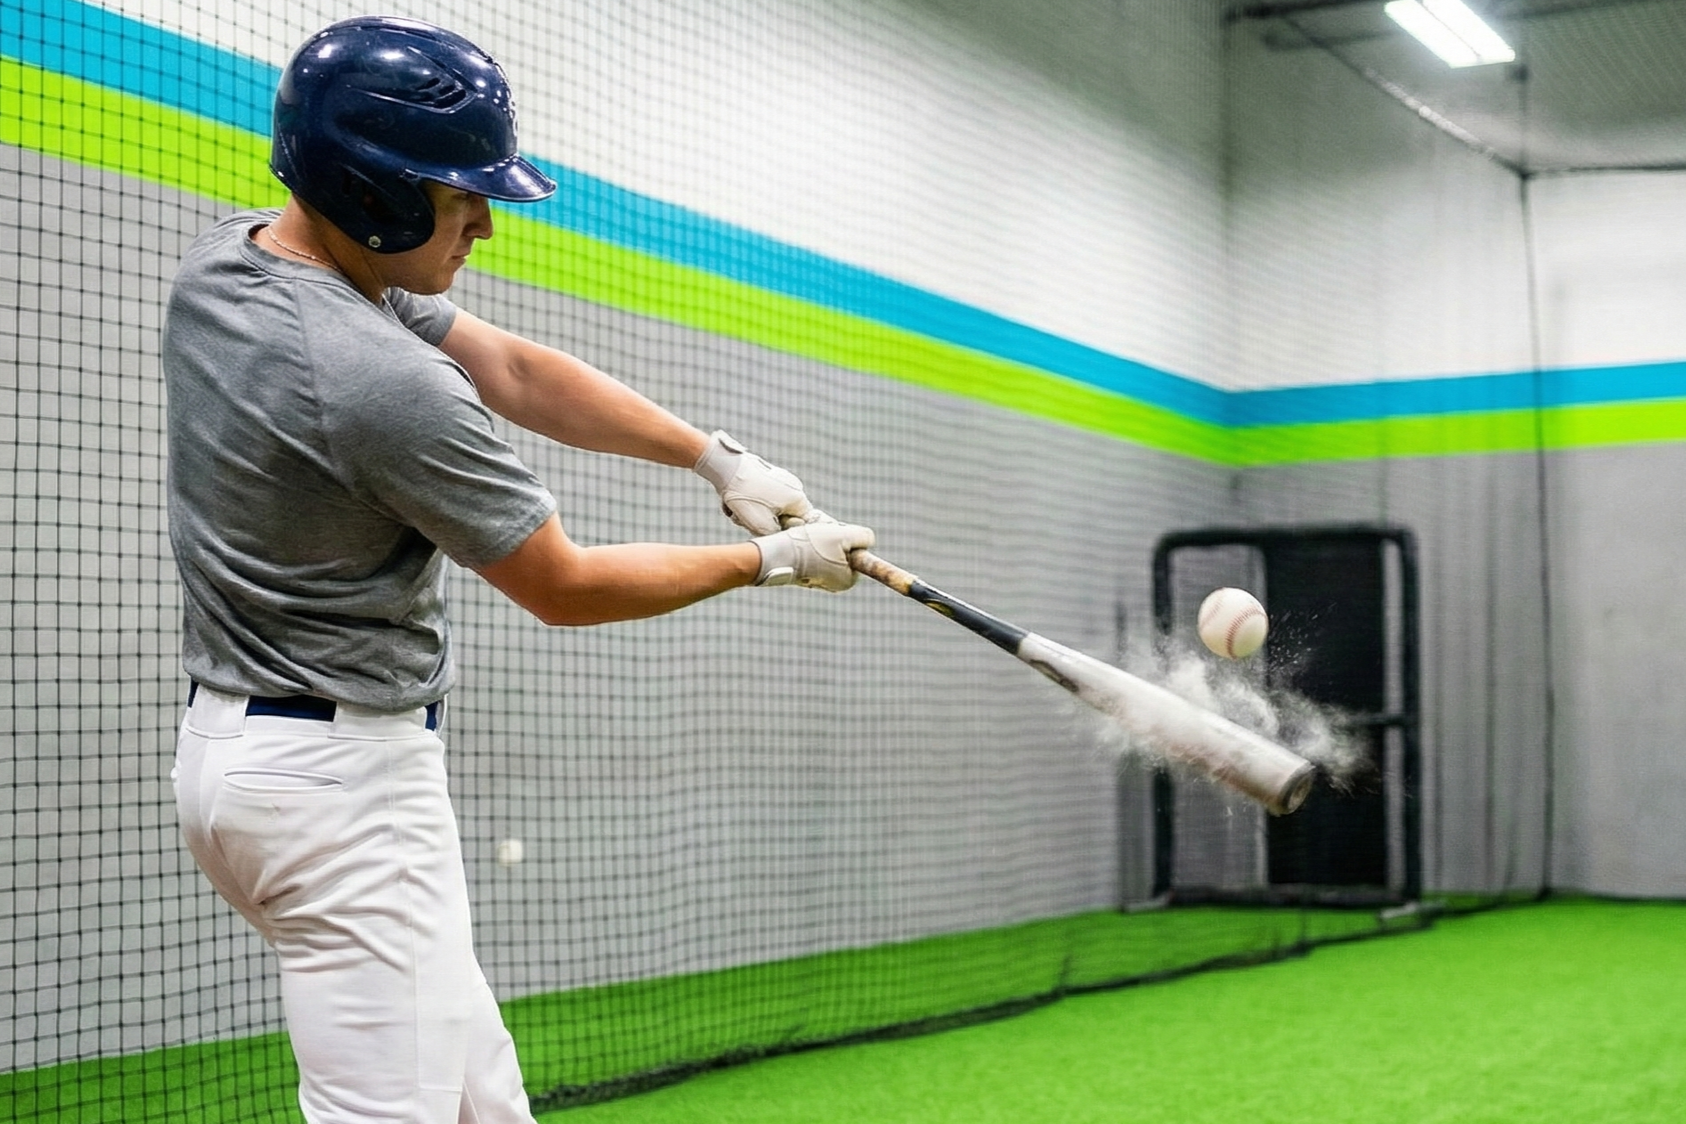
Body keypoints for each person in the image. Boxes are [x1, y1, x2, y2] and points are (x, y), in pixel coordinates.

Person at [162, 16, 873, 1124]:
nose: (486, 222)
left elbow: (514, 365)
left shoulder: (240, 259)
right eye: (460, 197)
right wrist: (770, 558)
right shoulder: (377, 381)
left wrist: (711, 453)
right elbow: (564, 584)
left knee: (479, 1098)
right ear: (375, 193)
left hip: (244, 759)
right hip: (341, 790)